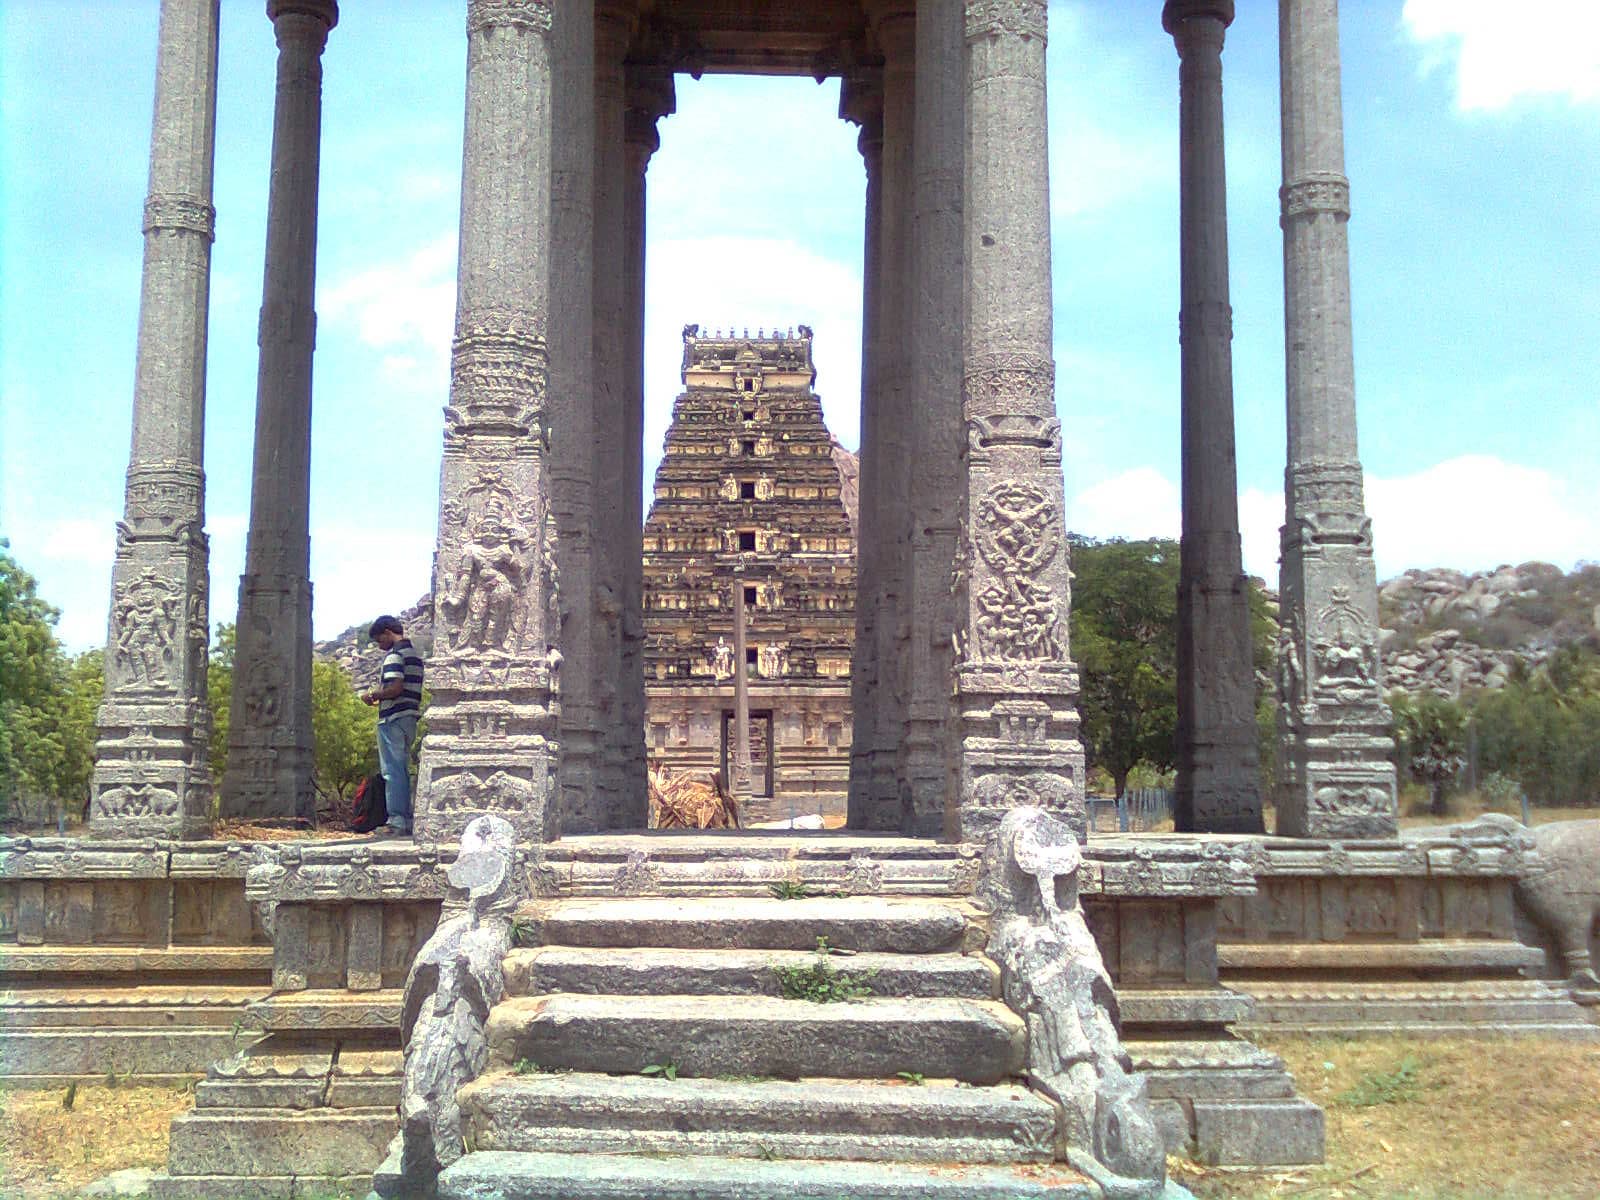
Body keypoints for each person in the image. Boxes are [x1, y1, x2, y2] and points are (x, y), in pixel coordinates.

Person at [360, 615, 424, 837]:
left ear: (388, 632)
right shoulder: (414, 655)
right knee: (402, 769)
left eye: (380, 640)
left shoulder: (394, 656)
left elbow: (395, 687)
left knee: (392, 770)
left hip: (393, 718)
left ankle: (397, 821)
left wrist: (373, 695)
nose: (380, 646)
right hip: (410, 717)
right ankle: (405, 818)